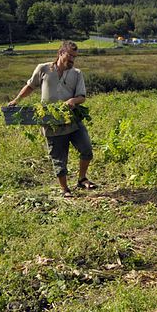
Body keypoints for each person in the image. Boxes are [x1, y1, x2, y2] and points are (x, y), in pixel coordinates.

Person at [8, 40, 96, 198]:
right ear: (61, 53)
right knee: (58, 157)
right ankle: (64, 189)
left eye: (74, 57)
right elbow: (30, 86)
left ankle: (82, 179)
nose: (72, 60)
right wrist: (16, 100)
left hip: (72, 119)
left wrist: (73, 101)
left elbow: (82, 97)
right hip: (51, 121)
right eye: (70, 56)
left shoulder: (76, 73)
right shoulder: (43, 69)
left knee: (86, 149)